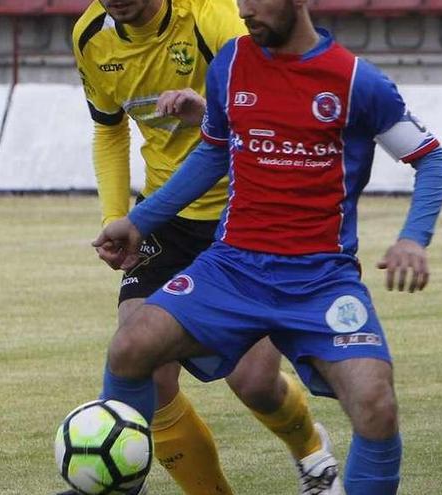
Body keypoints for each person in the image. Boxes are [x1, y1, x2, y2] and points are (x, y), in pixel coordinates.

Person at [91, 0, 442, 492]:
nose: (245, 11)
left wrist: (414, 238)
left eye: (258, 0)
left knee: (376, 405)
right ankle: (117, 483)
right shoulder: (231, 65)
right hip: (233, 268)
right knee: (131, 346)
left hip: (321, 279)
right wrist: (137, 220)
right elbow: (213, 153)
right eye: (242, 0)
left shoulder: (357, 83)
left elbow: (431, 160)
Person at [67, 0, 339, 494]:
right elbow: (109, 132)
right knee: (140, 358)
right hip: (165, 218)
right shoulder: (91, 36)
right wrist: (116, 218)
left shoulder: (215, 17)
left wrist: (208, 115)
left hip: (246, 213)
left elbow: (278, 106)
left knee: (254, 382)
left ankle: (310, 451)